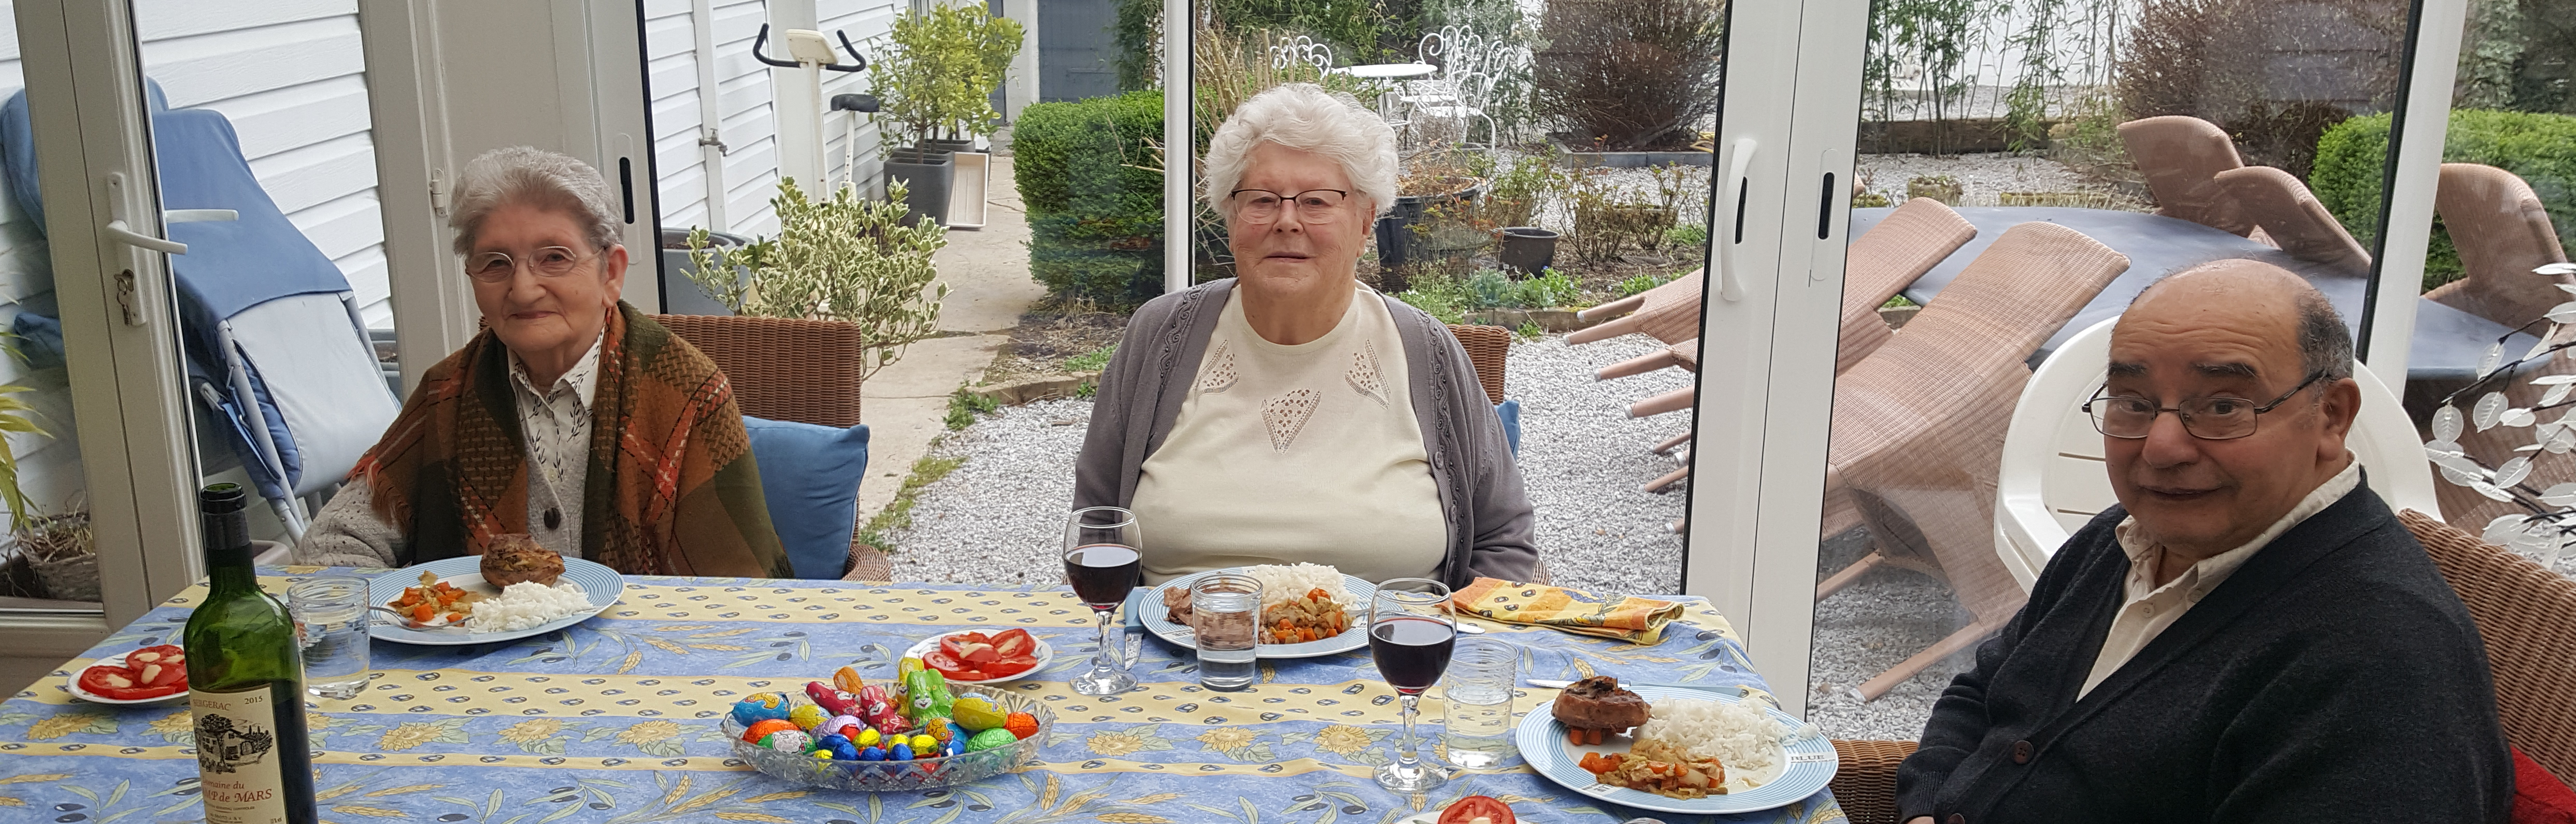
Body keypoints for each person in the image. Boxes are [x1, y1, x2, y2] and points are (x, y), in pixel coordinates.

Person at [1897, 259, 2512, 822]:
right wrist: (1924, 806)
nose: (2161, 448)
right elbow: (1986, 690)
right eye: (2133, 402)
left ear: (2331, 415)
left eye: (2222, 405)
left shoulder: (2381, 665)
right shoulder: (2121, 540)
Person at [1072, 83, 1538, 588]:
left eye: (1317, 201)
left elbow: (1503, 538)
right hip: (1180, 656)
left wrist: (1461, 643)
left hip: (1385, 659)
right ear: (1231, 219)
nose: (1287, 221)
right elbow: (1097, 526)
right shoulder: (1160, 336)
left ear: (1365, 223)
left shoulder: (1426, 351)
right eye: (1262, 199)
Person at [297, 147, 789, 579]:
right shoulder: (446, 393)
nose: (524, 288)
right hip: (480, 669)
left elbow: (740, 591)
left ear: (611, 272)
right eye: (495, 263)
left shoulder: (687, 392)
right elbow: (331, 548)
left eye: (554, 258)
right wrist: (411, 621)